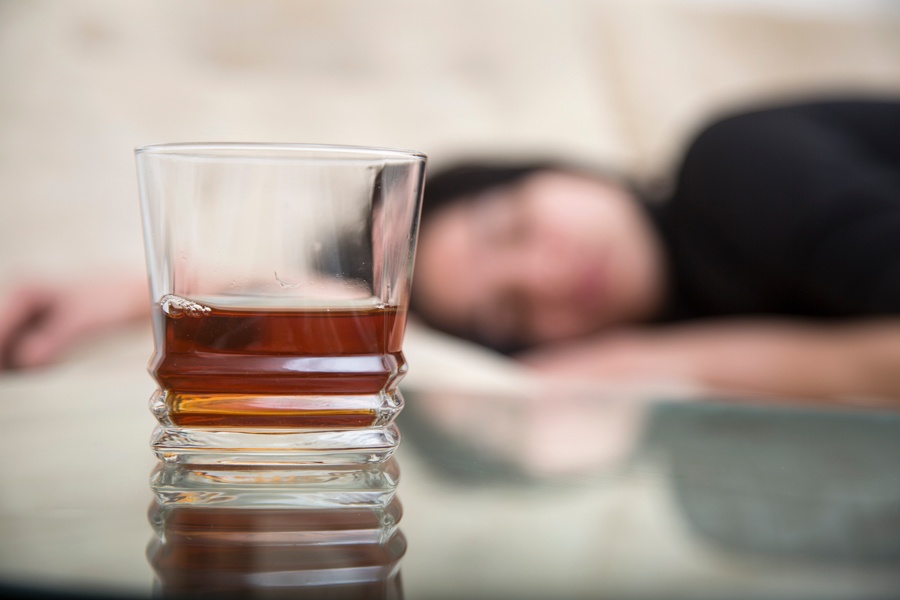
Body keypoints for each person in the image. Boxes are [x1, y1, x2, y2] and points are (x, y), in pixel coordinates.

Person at [2, 99, 900, 400]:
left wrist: (633, 359)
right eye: (511, 310)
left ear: (546, 169)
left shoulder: (733, 165)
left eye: (512, 226)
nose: (548, 275)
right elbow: (385, 321)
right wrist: (142, 294)